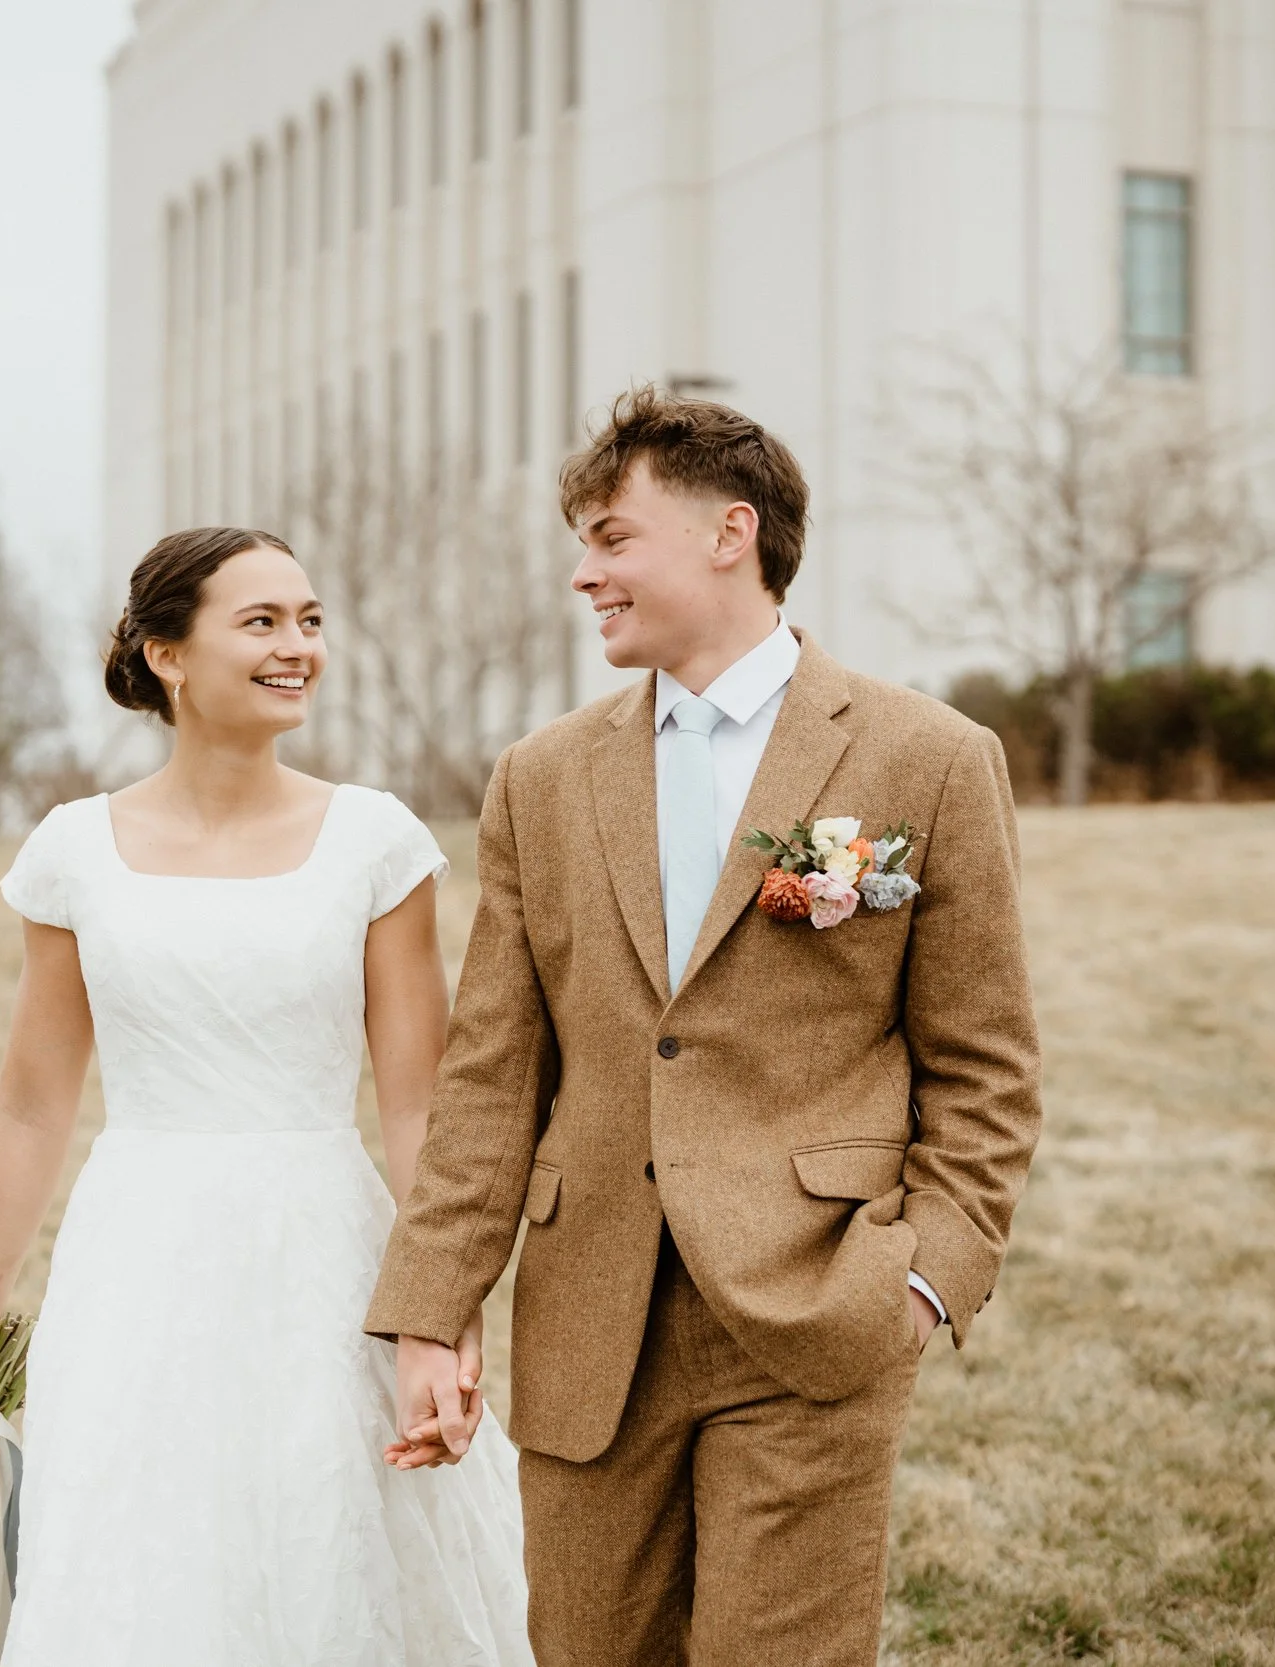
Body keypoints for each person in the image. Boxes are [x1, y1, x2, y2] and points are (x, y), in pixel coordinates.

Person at [368, 387, 1045, 1665]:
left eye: (613, 538)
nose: (584, 574)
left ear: (729, 533)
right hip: (588, 1326)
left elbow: (986, 1070)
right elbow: (492, 1077)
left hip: (813, 1310)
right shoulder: (540, 776)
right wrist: (429, 1310)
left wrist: (916, 1282)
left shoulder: (930, 758)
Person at [0, 526, 532, 1666]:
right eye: (261, 622)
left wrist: (440, 1316)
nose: (298, 645)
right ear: (166, 653)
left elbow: (417, 1107)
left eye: (309, 620)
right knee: (144, 1568)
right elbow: (30, 1107)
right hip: (135, 1265)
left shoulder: (374, 841)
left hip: (326, 1262)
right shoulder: (76, 851)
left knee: (329, 1554)